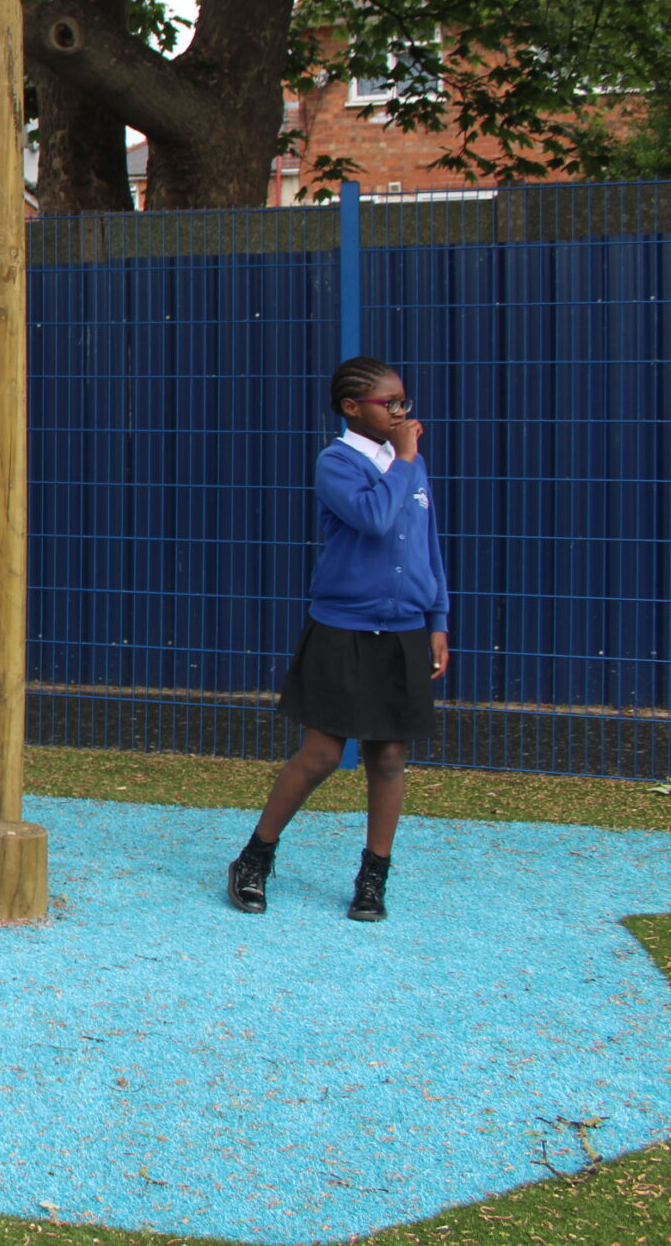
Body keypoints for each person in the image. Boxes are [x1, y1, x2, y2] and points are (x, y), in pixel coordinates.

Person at [228, 356, 451, 921]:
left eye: (406, 402)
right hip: (343, 627)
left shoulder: (410, 465)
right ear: (354, 408)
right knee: (322, 753)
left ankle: (373, 877)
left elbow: (427, 545)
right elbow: (374, 519)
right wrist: (403, 459)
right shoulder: (339, 462)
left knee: (390, 756)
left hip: (403, 630)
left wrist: (438, 619)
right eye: (390, 404)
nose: (403, 413)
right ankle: (255, 857)